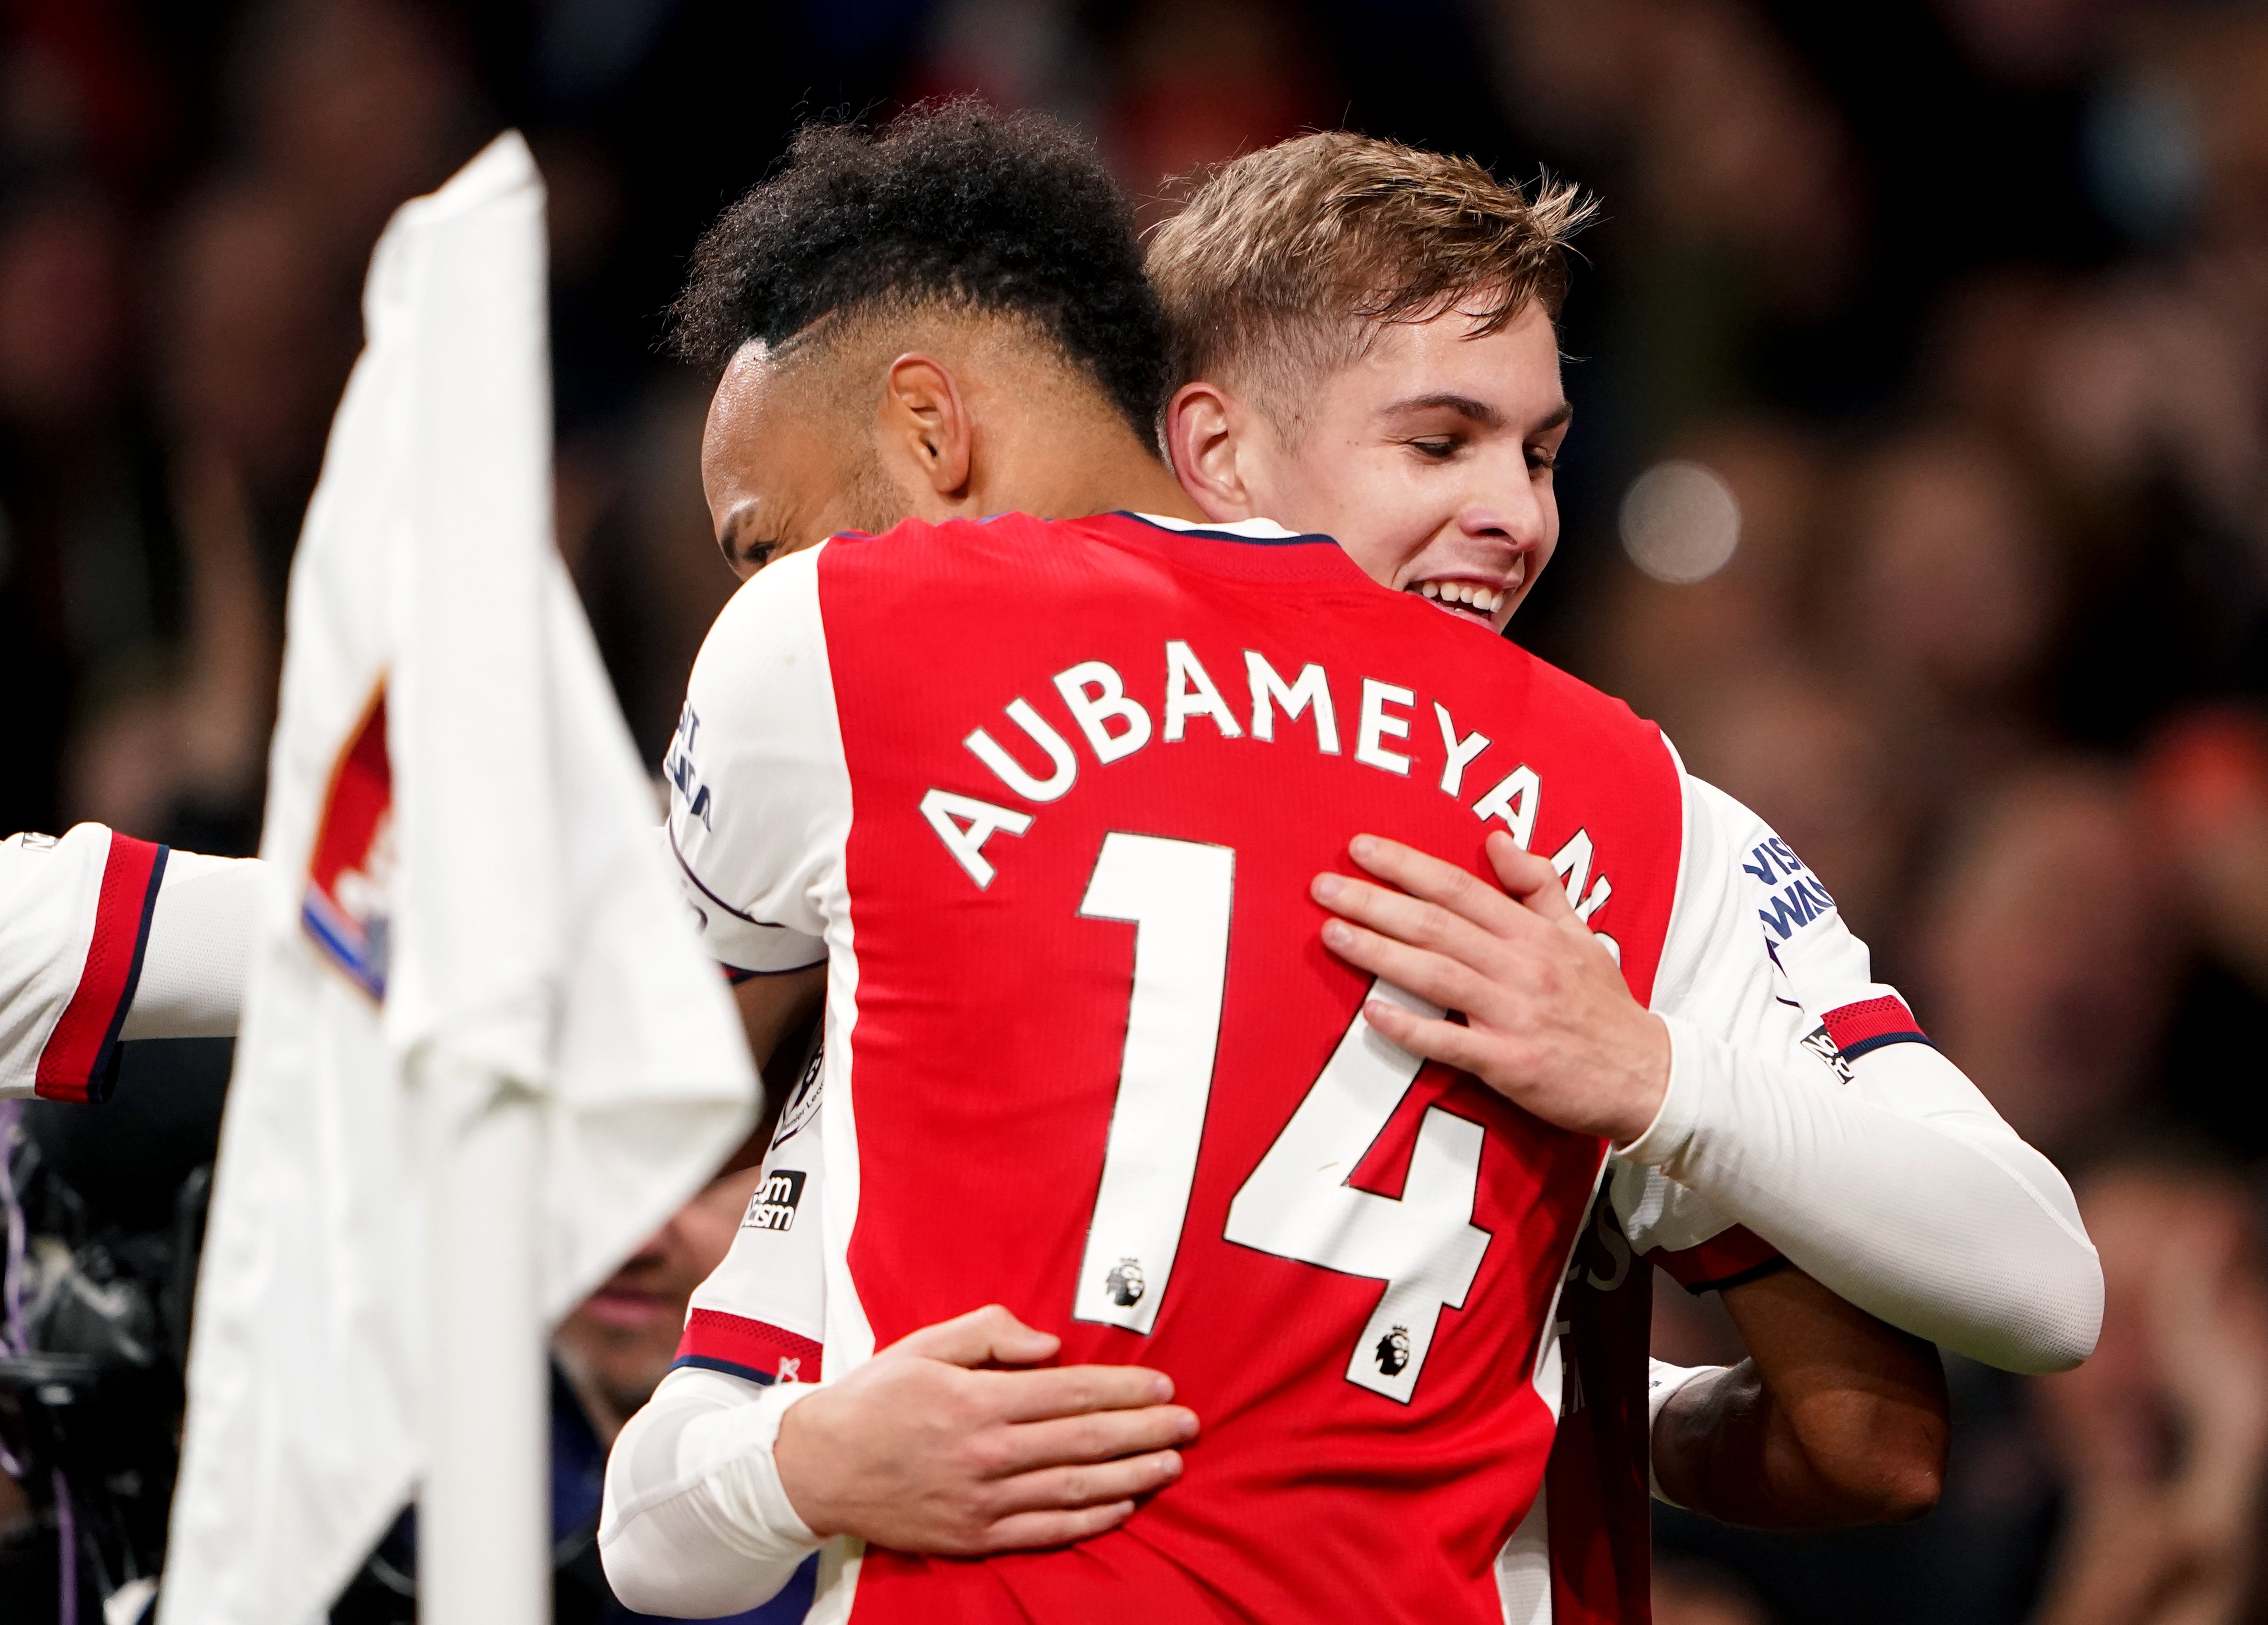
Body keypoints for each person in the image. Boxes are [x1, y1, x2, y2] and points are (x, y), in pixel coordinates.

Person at [1, 105, 2092, 1618]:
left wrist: (63, 927)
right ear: (1216, 441)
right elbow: (1956, 1358)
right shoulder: (1626, 805)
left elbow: (504, 960)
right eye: (1440, 441)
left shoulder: (859, 660)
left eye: (1540, 450)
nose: (1519, 519)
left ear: (930, 432)